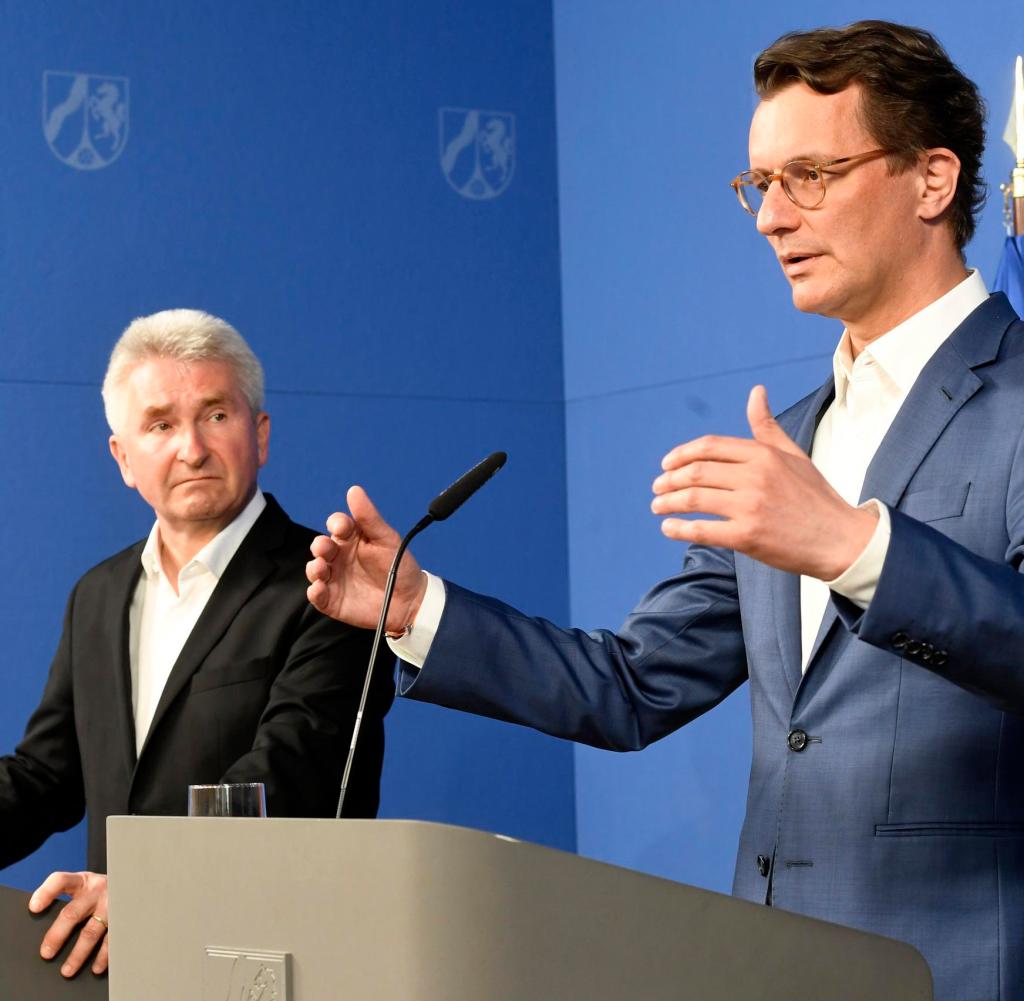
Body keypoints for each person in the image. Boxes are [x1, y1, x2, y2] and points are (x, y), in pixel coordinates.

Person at [306, 20, 1023, 1001]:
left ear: (931, 181)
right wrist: (417, 608)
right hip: (773, 965)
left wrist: (856, 548)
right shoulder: (794, 437)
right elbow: (633, 685)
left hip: (965, 971)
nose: (772, 217)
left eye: (808, 175)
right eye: (758, 185)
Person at [1, 309, 393, 978]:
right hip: (116, 974)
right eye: (160, 424)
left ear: (260, 433)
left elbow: (290, 775)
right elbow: (47, 775)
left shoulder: (330, 582)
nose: (191, 447)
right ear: (123, 457)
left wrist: (150, 889)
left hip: (273, 963)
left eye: (215, 415)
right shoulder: (96, 595)